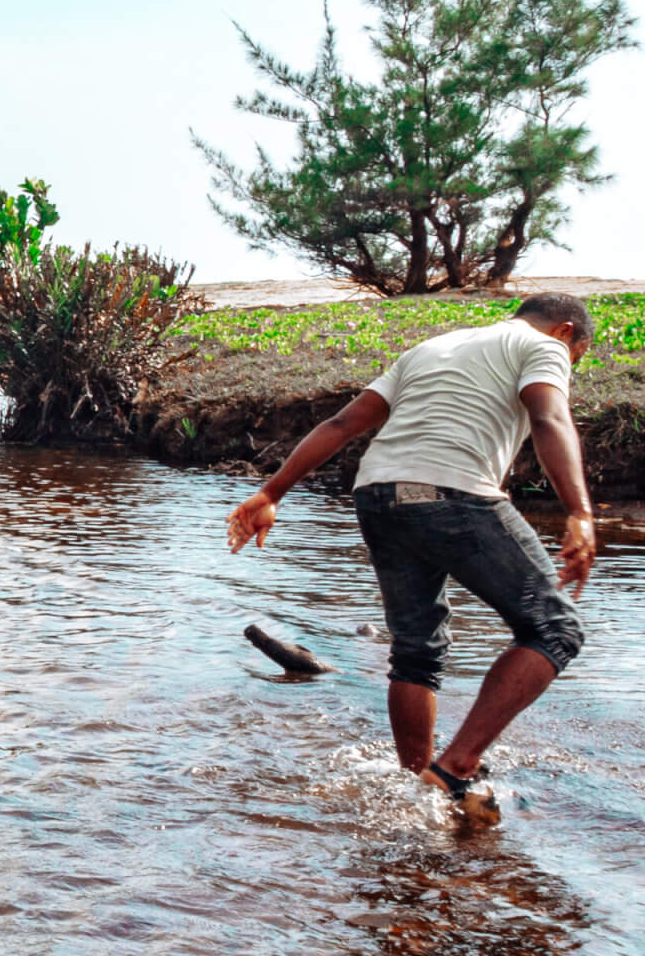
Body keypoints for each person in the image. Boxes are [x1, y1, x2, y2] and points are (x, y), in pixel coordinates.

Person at [225, 293, 597, 825]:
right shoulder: (545, 345)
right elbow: (548, 416)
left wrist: (271, 493)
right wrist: (579, 511)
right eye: (577, 360)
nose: (571, 368)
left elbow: (341, 424)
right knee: (555, 629)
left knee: (416, 651)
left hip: (377, 494)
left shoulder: (432, 346)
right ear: (566, 333)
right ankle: (455, 769)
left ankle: (419, 784)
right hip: (455, 493)